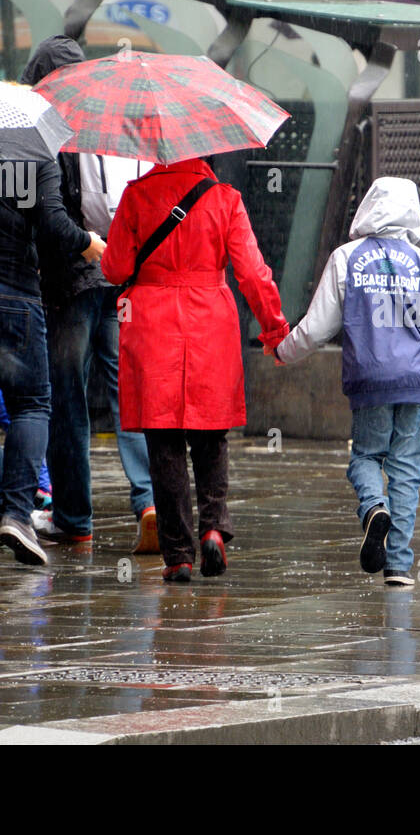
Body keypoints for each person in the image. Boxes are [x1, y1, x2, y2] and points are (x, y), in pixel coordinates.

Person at [100, 157, 289, 582]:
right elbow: (253, 274)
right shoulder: (225, 198)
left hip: (152, 323)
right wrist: (274, 329)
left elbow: (113, 269)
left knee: (162, 439)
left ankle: (179, 555)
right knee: (210, 433)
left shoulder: (135, 195)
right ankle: (214, 529)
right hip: (211, 322)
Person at [272, 177, 420, 587]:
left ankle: (374, 507)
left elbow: (317, 327)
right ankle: (398, 565)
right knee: (407, 470)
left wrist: (283, 351)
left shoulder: (346, 258)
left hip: (369, 379)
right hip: (414, 382)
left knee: (365, 457)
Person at [19, 36, 156, 548]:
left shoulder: (48, 130)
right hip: (119, 271)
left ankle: (74, 519)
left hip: (70, 278)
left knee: (68, 398)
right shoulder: (110, 117)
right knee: (129, 392)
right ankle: (150, 501)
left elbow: (49, 216)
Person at [0, 145, 106, 571]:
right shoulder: (35, 157)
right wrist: (86, 242)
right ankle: (16, 514)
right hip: (14, 295)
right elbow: (53, 223)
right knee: (32, 405)